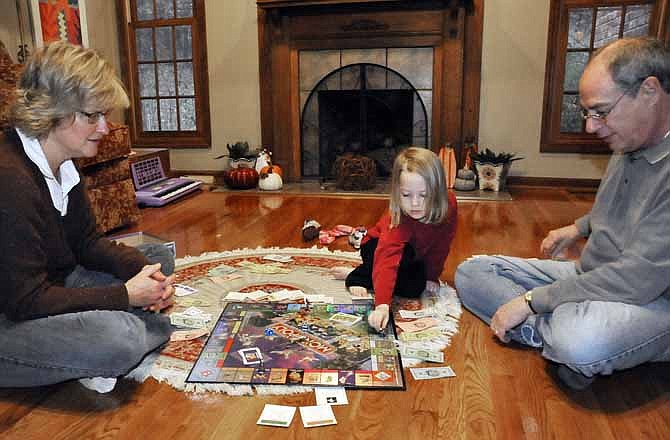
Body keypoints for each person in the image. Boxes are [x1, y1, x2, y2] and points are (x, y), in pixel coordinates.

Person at [455, 37, 670, 390]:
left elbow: (636, 280)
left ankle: (563, 340)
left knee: (581, 340)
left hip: (649, 300)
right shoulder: (630, 137)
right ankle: (552, 337)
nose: (591, 126)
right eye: (588, 113)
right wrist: (578, 227)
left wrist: (532, 301)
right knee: (473, 270)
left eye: (601, 111)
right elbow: (625, 205)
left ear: (649, 91)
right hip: (593, 276)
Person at [0, 42, 176, 393]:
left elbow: (86, 242)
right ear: (53, 110)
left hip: (52, 284)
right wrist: (125, 296)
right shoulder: (10, 180)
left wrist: (145, 277)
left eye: (104, 115)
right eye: (92, 116)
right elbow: (25, 300)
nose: (105, 128)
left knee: (158, 258)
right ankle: (113, 341)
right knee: (120, 341)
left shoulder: (62, 160)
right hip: (12, 312)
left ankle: (98, 345)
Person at [333, 147, 458, 331]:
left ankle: (371, 276)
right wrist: (382, 304)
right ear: (397, 192)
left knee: (414, 288)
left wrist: (432, 275)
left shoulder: (449, 206)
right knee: (394, 262)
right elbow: (387, 259)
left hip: (411, 256)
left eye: (423, 195)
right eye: (406, 195)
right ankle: (358, 276)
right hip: (375, 247)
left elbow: (442, 245)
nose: (414, 203)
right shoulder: (398, 218)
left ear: (437, 192)